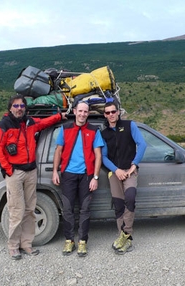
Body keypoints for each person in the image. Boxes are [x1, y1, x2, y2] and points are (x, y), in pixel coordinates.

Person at [0, 94, 66, 260]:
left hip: (31, 171)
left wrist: (60, 116)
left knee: (30, 210)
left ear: (25, 108)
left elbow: (45, 122)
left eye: (21, 106)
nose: (19, 109)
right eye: (16, 106)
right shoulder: (3, 126)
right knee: (16, 210)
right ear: (10, 108)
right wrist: (8, 170)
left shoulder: (30, 122)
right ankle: (13, 246)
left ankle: (26, 244)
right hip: (15, 173)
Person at [52, 101, 104, 257]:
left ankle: (82, 242)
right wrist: (55, 171)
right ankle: (69, 240)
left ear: (88, 113)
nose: (82, 114)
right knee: (67, 209)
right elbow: (58, 151)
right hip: (68, 174)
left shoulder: (94, 130)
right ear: (74, 111)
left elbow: (98, 155)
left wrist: (95, 177)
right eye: (80, 111)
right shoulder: (65, 128)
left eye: (85, 112)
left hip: (87, 176)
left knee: (85, 209)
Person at [101, 102, 147, 255]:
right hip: (115, 172)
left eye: (113, 111)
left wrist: (134, 165)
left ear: (118, 112)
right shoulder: (104, 133)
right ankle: (125, 240)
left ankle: (125, 233)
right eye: (107, 113)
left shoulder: (129, 125)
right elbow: (103, 156)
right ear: (104, 115)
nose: (111, 115)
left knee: (130, 198)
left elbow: (142, 144)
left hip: (130, 171)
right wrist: (116, 170)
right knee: (119, 204)